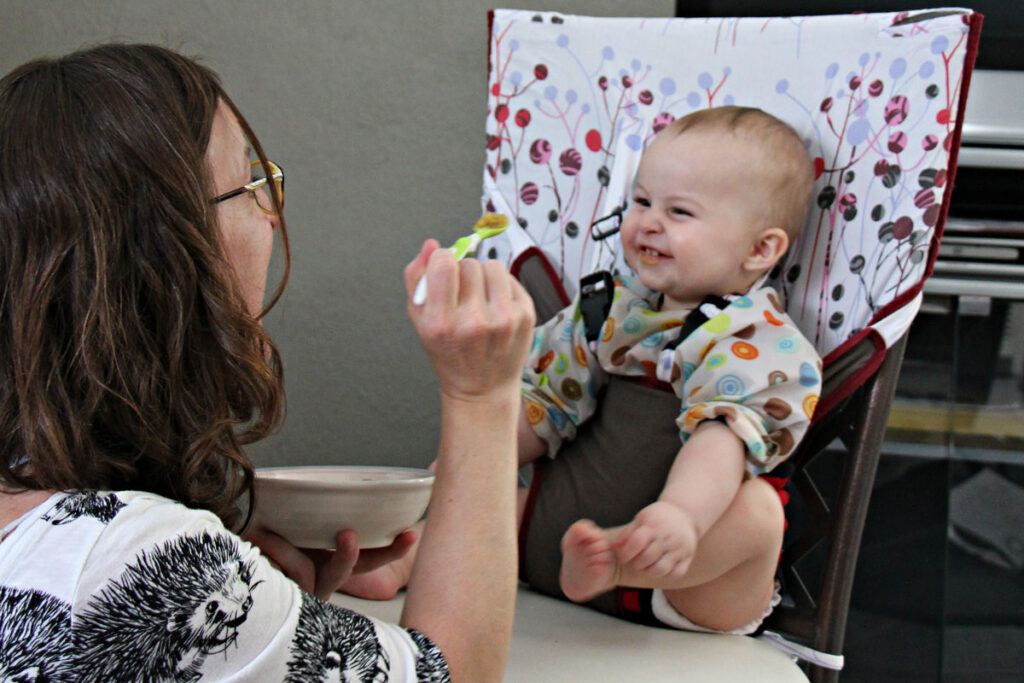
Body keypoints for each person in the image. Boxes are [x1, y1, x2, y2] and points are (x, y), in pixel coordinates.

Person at [0, 43, 534, 682]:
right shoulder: (138, 563)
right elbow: (456, 675)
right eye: (251, 185)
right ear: (164, 252)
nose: (273, 218)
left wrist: (251, 614)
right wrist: (483, 395)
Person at [346, 105, 822, 637]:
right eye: (642, 201)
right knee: (484, 503)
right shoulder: (605, 313)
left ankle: (622, 561)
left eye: (680, 212)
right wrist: (454, 472)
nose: (648, 221)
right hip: (558, 537)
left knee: (758, 514)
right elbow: (542, 404)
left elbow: (722, 439)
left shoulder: (754, 339)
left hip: (683, 582)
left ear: (761, 249)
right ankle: (403, 561)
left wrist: (681, 517)